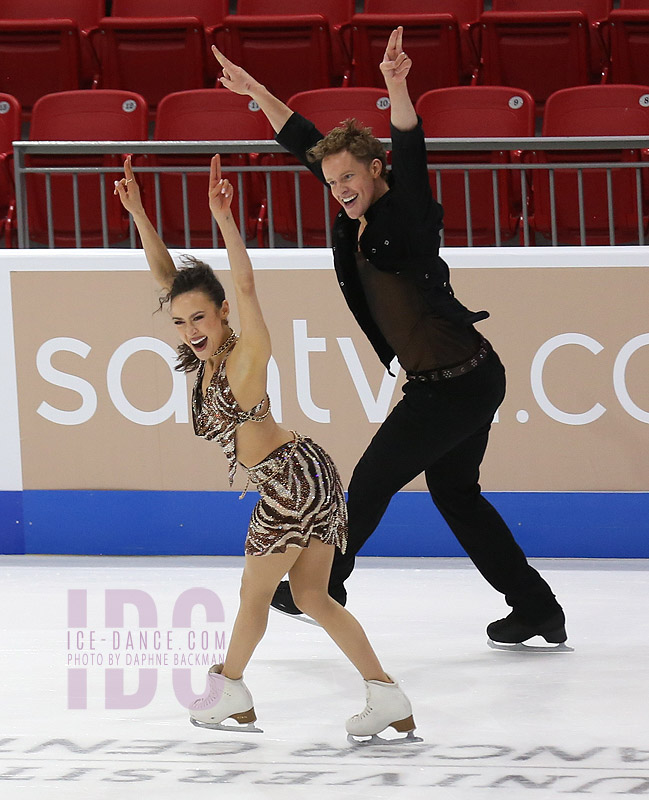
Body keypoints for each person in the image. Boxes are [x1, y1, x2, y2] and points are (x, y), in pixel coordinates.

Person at [211, 27, 568, 649]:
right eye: (330, 182)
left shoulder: (406, 212)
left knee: (370, 484)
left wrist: (397, 87)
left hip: (457, 386)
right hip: (455, 380)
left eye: (349, 176)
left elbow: (411, 147)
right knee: (455, 494)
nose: (338, 188)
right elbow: (304, 142)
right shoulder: (353, 211)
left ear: (376, 170)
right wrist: (256, 92)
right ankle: (537, 609)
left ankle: (324, 585)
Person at [113, 155, 416, 739]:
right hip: (308, 472)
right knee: (311, 597)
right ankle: (386, 696)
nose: (190, 331)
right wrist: (138, 214)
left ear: (223, 312)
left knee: (255, 594)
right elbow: (167, 279)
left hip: (291, 479)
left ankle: (228, 687)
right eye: (180, 323)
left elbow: (245, 282)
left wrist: (224, 219)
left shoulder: (246, 353)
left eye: (200, 318)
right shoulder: (200, 348)